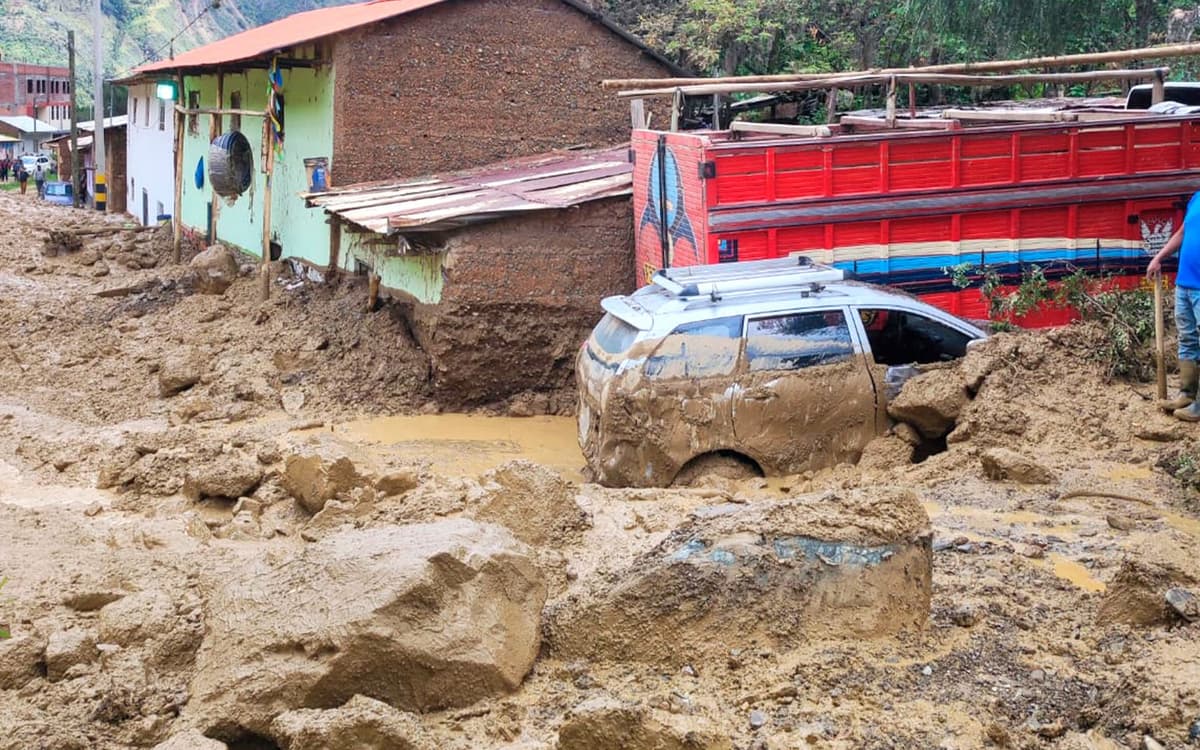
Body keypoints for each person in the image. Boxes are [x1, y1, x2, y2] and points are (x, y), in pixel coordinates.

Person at [1148, 198, 1200, 421]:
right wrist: (1158, 257)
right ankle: (1186, 395)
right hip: (1185, 284)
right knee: (1187, 339)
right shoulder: (1196, 198)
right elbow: (1182, 233)